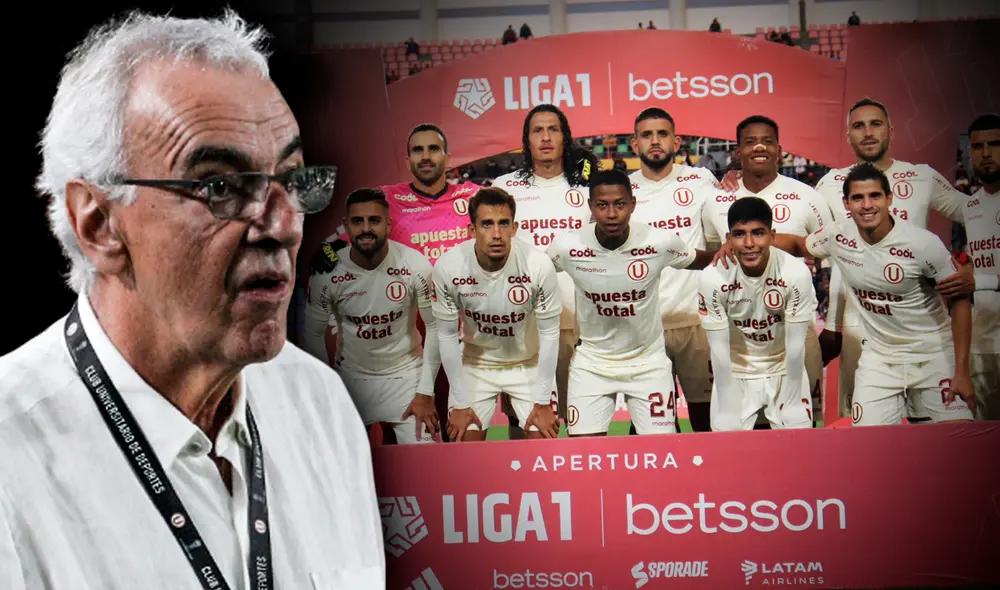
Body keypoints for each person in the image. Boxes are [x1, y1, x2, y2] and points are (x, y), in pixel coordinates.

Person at [0, 10, 384, 589]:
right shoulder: (12, 459)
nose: (281, 224)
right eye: (220, 187)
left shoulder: (321, 406)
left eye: (292, 178)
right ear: (99, 223)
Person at [310, 123, 481, 441]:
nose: (426, 156)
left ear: (448, 157)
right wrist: (326, 252)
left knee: (460, 435)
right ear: (408, 159)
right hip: (412, 340)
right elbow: (341, 242)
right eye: (418, 150)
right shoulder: (387, 200)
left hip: (464, 339)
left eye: (433, 149)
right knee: (409, 433)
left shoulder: (471, 198)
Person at [770, 164, 976, 425]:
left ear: (889, 199)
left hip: (933, 357)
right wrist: (751, 239)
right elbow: (800, 244)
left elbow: (959, 301)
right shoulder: (838, 236)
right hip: (880, 360)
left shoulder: (923, 244)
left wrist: (962, 372)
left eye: (875, 196)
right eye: (857, 198)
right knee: (866, 447)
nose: (867, 205)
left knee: (956, 441)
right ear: (846, 203)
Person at [812, 98, 968, 421]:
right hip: (860, 325)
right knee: (865, 435)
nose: (867, 133)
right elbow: (811, 239)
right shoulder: (829, 183)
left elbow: (975, 211)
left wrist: (979, 269)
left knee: (940, 434)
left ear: (891, 131)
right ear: (848, 137)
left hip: (918, 320)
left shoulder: (921, 177)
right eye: (858, 126)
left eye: (875, 124)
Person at [547, 169, 717, 436]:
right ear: (591, 206)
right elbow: (534, 273)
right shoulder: (567, 246)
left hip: (648, 363)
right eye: (602, 205)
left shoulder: (659, 242)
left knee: (660, 454)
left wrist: (734, 252)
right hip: (592, 363)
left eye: (620, 204)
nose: (612, 214)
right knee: (584, 450)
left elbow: (703, 260)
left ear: (633, 205)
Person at [704, 115, 831, 425]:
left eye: (767, 141)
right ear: (737, 151)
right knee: (736, 430)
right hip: (739, 337)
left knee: (803, 423)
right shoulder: (717, 199)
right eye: (750, 142)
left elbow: (830, 253)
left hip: (793, 326)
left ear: (779, 149)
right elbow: (713, 254)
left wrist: (790, 245)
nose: (759, 147)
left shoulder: (808, 197)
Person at [304, 188, 440, 444]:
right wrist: (329, 388)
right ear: (346, 226)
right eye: (357, 221)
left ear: (388, 224)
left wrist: (425, 392)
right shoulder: (327, 273)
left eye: (374, 220)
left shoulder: (415, 265)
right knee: (341, 465)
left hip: (406, 376)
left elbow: (435, 328)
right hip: (353, 378)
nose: (366, 228)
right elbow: (312, 333)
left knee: (427, 464)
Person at [492, 104, 598, 432]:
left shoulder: (587, 188)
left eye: (553, 129)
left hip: (580, 323)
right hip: (523, 325)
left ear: (565, 136)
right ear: (526, 140)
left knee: (585, 422)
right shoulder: (505, 187)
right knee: (524, 424)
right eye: (537, 130)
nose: (546, 137)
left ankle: (587, 485)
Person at [431, 188, 562, 441]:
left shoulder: (538, 265)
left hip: (529, 363)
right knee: (464, 445)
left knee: (542, 441)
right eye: (487, 224)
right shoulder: (448, 267)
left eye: (504, 224)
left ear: (514, 228)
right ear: (472, 230)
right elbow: (446, 336)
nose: (497, 234)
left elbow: (550, 334)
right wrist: (459, 402)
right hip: (476, 364)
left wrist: (544, 400)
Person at [628, 107, 721, 432]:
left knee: (706, 421)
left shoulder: (702, 181)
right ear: (634, 143)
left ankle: (710, 484)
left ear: (676, 141)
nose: (655, 141)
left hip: (696, 321)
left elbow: (720, 239)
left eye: (662, 134)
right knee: (652, 429)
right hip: (645, 328)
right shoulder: (623, 192)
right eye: (647, 134)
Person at [698, 197, 817, 430]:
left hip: (785, 369)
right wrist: (725, 404)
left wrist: (792, 401)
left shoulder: (795, 272)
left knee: (799, 448)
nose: (749, 243)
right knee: (728, 449)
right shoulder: (712, 277)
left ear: (772, 236)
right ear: (728, 239)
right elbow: (719, 350)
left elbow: (795, 346)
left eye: (758, 233)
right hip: (735, 372)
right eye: (740, 234)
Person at [936, 113, 1000, 419]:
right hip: (983, 344)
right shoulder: (972, 207)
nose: (986, 153)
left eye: (995, 144)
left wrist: (979, 280)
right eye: (978, 146)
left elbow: (981, 276)